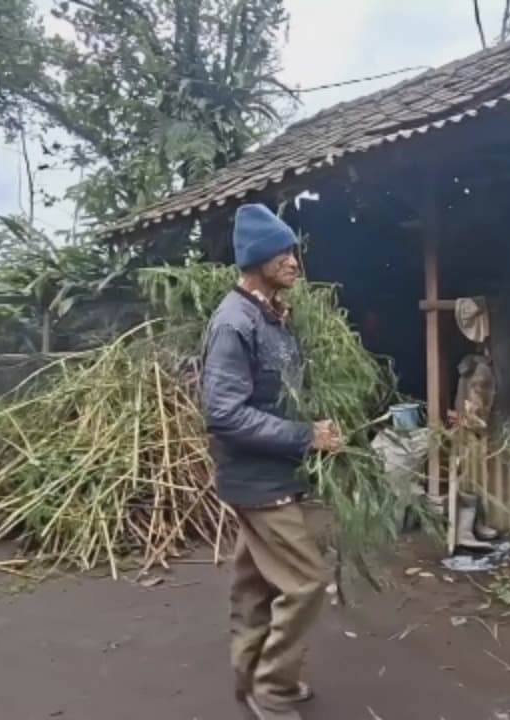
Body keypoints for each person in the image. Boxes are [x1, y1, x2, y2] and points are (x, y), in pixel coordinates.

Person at [201, 204, 344, 720]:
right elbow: (223, 412)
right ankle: (272, 690)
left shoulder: (270, 315)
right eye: (282, 253)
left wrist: (315, 426)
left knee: (255, 585)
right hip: (259, 482)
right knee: (306, 582)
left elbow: (273, 396)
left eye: (292, 251)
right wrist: (305, 436)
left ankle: (250, 679)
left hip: (272, 474)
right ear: (257, 259)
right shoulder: (234, 323)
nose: (293, 262)